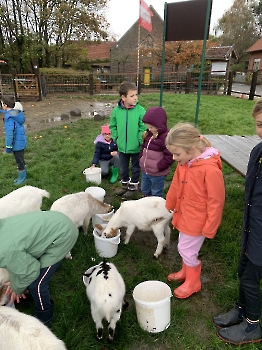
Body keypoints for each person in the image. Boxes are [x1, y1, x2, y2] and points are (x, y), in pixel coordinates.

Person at [213, 99, 262, 345]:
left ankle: (253, 325)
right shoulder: (257, 151)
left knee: (251, 278)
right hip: (251, 225)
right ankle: (241, 308)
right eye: (260, 124)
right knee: (242, 270)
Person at [165, 123, 225, 299]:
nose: (174, 158)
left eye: (177, 154)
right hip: (185, 215)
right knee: (184, 246)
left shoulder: (210, 170)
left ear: (191, 149)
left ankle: (194, 281)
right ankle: (186, 272)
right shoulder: (185, 163)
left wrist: (211, 226)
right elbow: (176, 185)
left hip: (198, 220)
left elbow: (217, 201)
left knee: (186, 249)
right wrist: (170, 203)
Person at [1, 210, 78, 327]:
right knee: (23, 271)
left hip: (63, 235)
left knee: (37, 285)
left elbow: (31, 269)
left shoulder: (4, 252)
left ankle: (45, 319)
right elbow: (17, 262)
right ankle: (29, 294)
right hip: (54, 220)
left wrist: (16, 288)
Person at [110, 81, 146, 199]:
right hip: (122, 147)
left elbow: (143, 127)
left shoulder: (140, 110)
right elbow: (113, 125)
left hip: (136, 147)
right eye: (132, 96)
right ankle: (124, 186)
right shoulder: (116, 110)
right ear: (123, 97)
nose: (135, 98)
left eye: (136, 95)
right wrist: (116, 137)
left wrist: (139, 140)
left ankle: (133, 187)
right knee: (123, 168)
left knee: (135, 168)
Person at [139, 106, 174, 197]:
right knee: (145, 190)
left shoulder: (165, 138)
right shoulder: (148, 135)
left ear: (160, 125)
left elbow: (170, 156)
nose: (149, 129)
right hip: (146, 171)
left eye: (151, 127)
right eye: (148, 127)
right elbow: (143, 148)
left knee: (156, 192)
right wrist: (141, 159)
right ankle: (146, 205)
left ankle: (156, 208)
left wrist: (158, 167)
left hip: (157, 173)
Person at [1, 95, 27, 184]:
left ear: (5, 105)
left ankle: (22, 179)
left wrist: (8, 146)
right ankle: (24, 175)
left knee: (19, 161)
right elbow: (7, 112)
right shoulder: (16, 113)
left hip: (16, 144)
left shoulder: (9, 118)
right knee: (21, 159)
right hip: (21, 142)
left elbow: (10, 134)